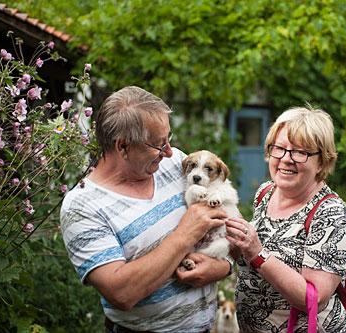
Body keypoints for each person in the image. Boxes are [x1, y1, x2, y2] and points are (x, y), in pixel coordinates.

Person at [60, 86, 234, 333]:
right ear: (123, 147)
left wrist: (223, 266)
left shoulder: (175, 165)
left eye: (168, 139)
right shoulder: (82, 206)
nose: (170, 152)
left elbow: (229, 217)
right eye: (159, 144)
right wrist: (186, 233)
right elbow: (121, 293)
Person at [225, 105, 346, 332]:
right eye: (280, 148)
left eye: (300, 152)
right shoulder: (266, 193)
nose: (286, 159)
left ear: (322, 162)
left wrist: (258, 253)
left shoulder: (331, 213)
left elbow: (314, 299)